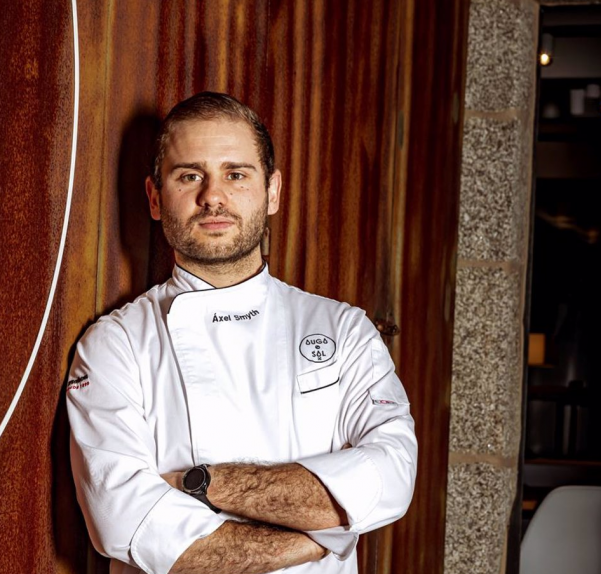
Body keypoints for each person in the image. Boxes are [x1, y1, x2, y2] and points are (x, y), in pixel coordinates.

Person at [67, 92, 417, 574]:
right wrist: (318, 538)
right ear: (154, 197)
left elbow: (392, 477)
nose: (213, 195)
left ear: (272, 192)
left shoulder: (344, 330)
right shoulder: (115, 345)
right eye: (190, 176)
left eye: (236, 174)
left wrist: (199, 483)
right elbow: (124, 521)